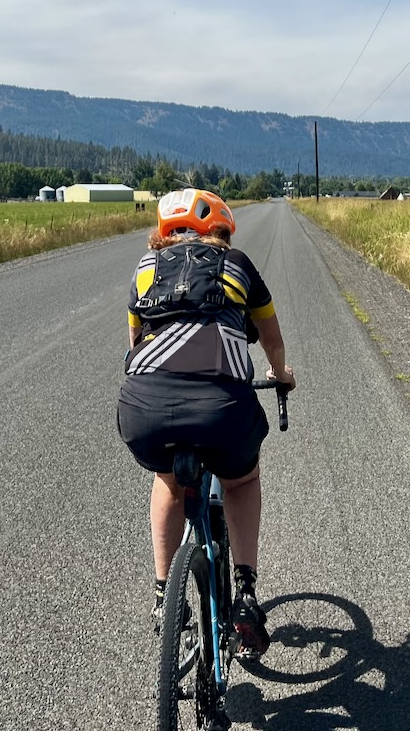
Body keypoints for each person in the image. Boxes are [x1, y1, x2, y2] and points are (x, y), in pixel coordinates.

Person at [116, 188, 296, 659]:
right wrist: (280, 376)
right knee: (241, 481)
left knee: (168, 480)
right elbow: (272, 339)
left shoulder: (144, 270)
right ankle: (246, 594)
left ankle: (162, 598)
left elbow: (134, 342)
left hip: (144, 407)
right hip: (221, 408)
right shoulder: (236, 264)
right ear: (219, 229)